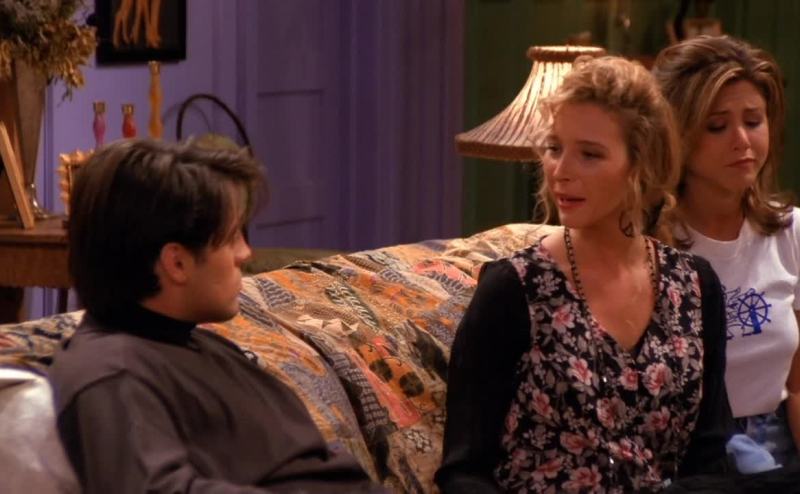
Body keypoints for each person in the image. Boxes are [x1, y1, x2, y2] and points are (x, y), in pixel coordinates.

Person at [435, 56, 733, 493]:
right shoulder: (513, 288)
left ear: (641, 165)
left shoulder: (695, 286)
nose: (561, 171)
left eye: (589, 154)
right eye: (554, 149)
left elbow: (708, 456)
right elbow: (463, 472)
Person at [48, 139, 384, 493]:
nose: (246, 253)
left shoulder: (195, 343)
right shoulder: (112, 375)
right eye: (232, 236)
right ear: (177, 263)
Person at [653, 35, 800, 470]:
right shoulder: (651, 244)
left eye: (753, 121)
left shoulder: (790, 232)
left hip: (776, 443)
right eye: (717, 126)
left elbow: (799, 386)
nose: (742, 140)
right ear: (678, 135)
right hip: (683, 454)